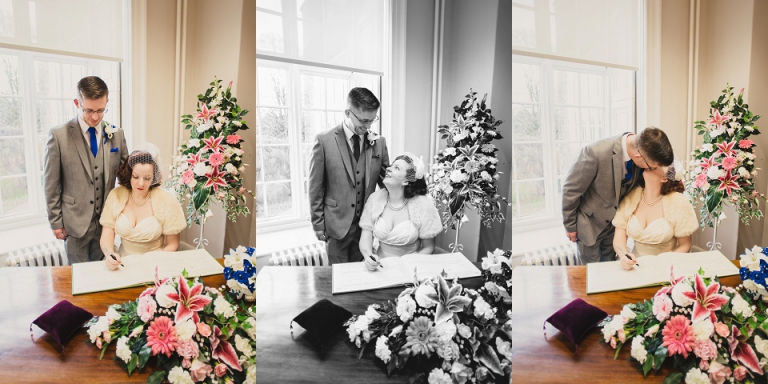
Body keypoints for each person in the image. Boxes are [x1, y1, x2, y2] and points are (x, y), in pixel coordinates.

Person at [44, 76, 129, 264]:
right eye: (89, 110)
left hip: (106, 224)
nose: (95, 117)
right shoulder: (59, 135)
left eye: (101, 110)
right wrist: (55, 222)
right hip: (74, 223)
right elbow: (51, 183)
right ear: (77, 103)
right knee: (79, 279)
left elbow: (126, 177)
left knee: (104, 273)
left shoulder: (117, 134)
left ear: (107, 102)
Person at [562, 127, 675, 264]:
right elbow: (570, 190)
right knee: (592, 275)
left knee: (610, 270)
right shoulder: (594, 152)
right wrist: (570, 226)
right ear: (638, 156)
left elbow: (663, 171)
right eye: (650, 167)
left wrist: (674, 181)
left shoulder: (645, 148)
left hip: (614, 227)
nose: (649, 170)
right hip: (589, 225)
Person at [308, 87, 390, 264]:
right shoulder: (324, 141)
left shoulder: (379, 143)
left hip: (366, 228)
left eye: (372, 120)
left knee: (362, 278)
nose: (367, 126)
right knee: (338, 279)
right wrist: (318, 225)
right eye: (363, 120)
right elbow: (315, 188)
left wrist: (413, 186)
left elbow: (388, 183)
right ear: (348, 112)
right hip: (336, 226)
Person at [99, 144, 186, 270]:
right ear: (128, 174)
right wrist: (110, 255)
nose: (141, 183)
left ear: (154, 177)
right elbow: (107, 234)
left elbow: (173, 244)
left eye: (147, 178)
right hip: (122, 263)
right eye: (135, 177)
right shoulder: (116, 195)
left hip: (156, 264)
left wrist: (153, 263)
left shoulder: (166, 201)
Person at [359, 153, 442, 270]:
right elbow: (366, 238)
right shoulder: (375, 198)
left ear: (406, 181)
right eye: (391, 166)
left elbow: (428, 247)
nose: (388, 168)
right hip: (379, 266)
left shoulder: (423, 205)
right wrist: (369, 257)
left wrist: (409, 267)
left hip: (411, 267)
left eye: (396, 168)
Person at [612, 161, 698, 270]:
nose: (650, 164)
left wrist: (664, 265)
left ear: (665, 178)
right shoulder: (632, 197)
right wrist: (624, 256)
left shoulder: (678, 202)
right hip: (635, 267)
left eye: (658, 164)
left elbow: (685, 245)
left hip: (666, 267)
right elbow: (619, 238)